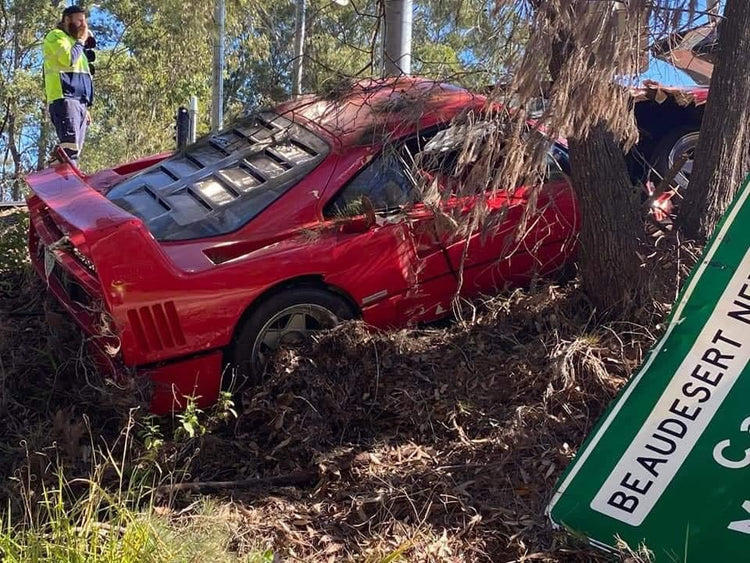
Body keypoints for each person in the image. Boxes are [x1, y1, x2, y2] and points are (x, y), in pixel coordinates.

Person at [43, 5, 94, 166]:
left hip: (79, 102)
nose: (83, 25)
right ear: (67, 19)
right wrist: (80, 41)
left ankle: (60, 170)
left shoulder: (76, 44)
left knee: (75, 151)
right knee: (69, 148)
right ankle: (64, 183)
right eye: (79, 20)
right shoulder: (56, 36)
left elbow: (83, 76)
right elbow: (68, 59)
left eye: (84, 21)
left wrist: (85, 107)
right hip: (64, 97)